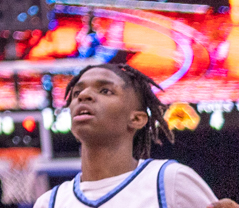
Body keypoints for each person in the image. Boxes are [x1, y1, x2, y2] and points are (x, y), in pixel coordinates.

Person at [33, 62, 238, 208]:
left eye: (105, 91)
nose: (84, 96)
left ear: (137, 119)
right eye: (77, 93)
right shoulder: (49, 202)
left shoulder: (169, 181)